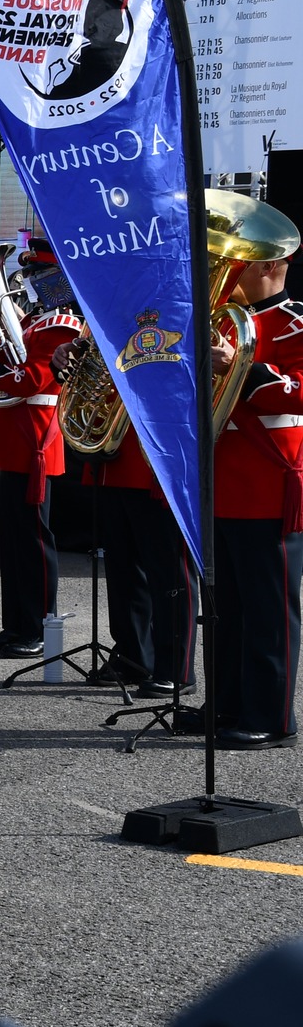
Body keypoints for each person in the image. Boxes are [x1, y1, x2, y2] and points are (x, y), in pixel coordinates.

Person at [0, 242, 82, 658]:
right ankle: (15, 625)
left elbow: (30, 379)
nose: (29, 282)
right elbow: (10, 362)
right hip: (15, 434)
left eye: (38, 276)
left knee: (33, 541)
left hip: (35, 437)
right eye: (29, 275)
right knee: (14, 541)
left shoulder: (61, 324)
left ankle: (39, 630)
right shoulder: (35, 322)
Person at [205, 245, 303, 749]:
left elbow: (299, 390)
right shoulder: (221, 319)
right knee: (225, 608)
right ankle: (225, 705)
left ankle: (272, 716)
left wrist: (239, 366)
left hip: (266, 482)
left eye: (237, 261)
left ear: (267, 265)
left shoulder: (294, 324)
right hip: (221, 479)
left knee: (269, 610)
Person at [87, 430, 197, 698]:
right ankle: (133, 657)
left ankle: (176, 670)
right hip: (115, 461)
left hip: (156, 461)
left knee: (169, 574)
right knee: (122, 570)